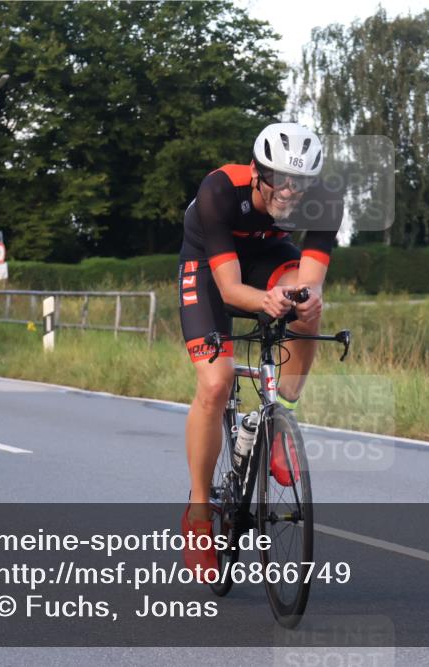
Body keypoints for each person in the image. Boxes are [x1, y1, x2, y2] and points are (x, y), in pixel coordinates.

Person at [177, 122, 342, 576]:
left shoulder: (327, 197)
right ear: (255, 171)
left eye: (300, 182)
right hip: (209, 267)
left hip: (271, 255)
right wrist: (264, 301)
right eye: (279, 179)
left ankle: (281, 423)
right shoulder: (219, 191)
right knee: (216, 383)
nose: (289, 192)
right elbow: (230, 289)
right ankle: (197, 512)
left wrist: (299, 300)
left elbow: (309, 281)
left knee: (308, 309)